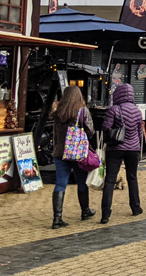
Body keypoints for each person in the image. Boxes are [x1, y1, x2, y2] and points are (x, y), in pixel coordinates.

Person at [100, 83, 145, 222]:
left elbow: (106, 127)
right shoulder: (137, 111)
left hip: (115, 149)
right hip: (133, 149)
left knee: (110, 179)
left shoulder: (114, 109)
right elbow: (140, 134)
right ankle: (135, 207)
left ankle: (105, 214)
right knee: (132, 177)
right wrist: (138, 148)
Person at [51, 86, 96, 228]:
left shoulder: (58, 112)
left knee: (60, 183)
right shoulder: (83, 111)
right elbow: (90, 131)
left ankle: (57, 218)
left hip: (60, 152)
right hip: (78, 152)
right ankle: (85, 210)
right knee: (81, 181)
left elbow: (55, 134)